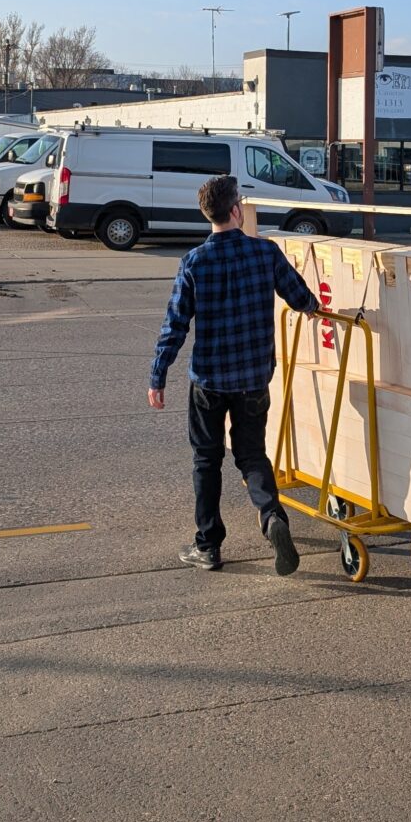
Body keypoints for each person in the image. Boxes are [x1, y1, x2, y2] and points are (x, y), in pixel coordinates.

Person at [148, 172, 319, 575]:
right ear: (237, 210)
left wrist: (158, 375)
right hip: (254, 378)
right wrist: (314, 308)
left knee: (206, 461)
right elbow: (301, 299)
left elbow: (175, 325)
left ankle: (208, 546)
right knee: (252, 455)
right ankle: (272, 516)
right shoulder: (266, 253)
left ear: (208, 214)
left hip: (208, 380)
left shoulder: (194, 262)